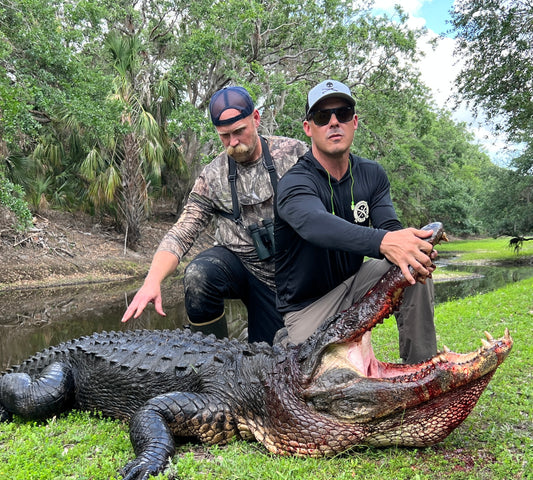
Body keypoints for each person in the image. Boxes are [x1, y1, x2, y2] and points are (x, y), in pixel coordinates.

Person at [122, 86, 308, 344]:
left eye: (239, 131)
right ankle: (211, 359)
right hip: (242, 267)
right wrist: (152, 280)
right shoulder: (212, 175)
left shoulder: (295, 153)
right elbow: (182, 232)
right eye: (225, 136)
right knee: (199, 275)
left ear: (256, 118)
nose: (233, 142)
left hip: (292, 273)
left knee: (275, 354)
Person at [274, 79, 437, 363]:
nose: (334, 122)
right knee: (325, 383)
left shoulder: (372, 174)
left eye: (343, 113)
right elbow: (315, 224)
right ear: (308, 128)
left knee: (414, 263)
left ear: (355, 121)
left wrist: (408, 244)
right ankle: (287, 341)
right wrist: (384, 242)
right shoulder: (295, 183)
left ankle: (421, 370)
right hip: (309, 308)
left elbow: (390, 228)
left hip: (355, 283)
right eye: (323, 116)